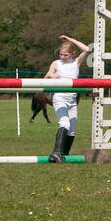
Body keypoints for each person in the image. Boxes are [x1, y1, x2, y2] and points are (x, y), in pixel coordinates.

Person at [44, 34, 90, 162]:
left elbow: (87, 49)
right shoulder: (56, 63)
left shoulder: (76, 62)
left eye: (65, 55)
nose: (62, 57)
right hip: (59, 97)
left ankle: (64, 155)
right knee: (64, 123)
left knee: (72, 130)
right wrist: (53, 76)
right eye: (61, 55)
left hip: (72, 100)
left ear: (73, 54)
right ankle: (56, 152)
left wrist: (71, 40)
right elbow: (47, 76)